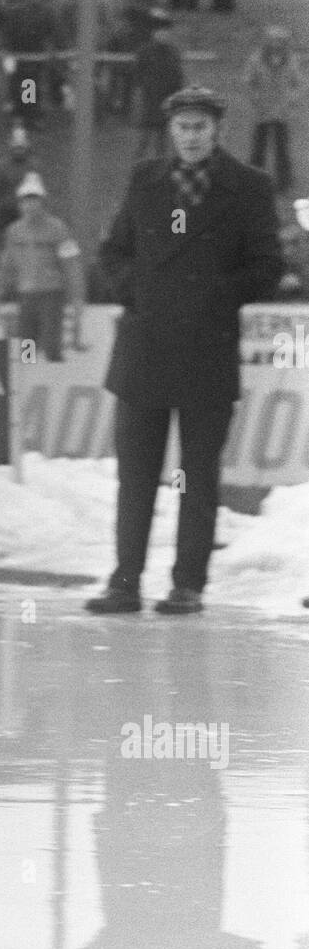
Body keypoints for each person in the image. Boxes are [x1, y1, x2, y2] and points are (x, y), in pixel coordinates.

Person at [87, 86, 284, 616]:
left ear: (216, 129)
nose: (191, 136)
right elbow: (113, 252)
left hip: (207, 347)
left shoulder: (248, 187)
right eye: (183, 127)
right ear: (171, 130)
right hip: (145, 347)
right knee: (136, 474)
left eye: (200, 127)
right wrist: (141, 293)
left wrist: (214, 294)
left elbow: (267, 267)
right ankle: (124, 581)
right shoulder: (145, 179)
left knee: (199, 475)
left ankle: (188, 585)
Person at [0, 173, 85, 358]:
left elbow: (71, 265)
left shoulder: (58, 228)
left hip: (51, 295)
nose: (30, 205)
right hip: (26, 296)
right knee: (27, 347)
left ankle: (54, 380)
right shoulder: (14, 232)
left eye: (34, 200)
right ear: (20, 203)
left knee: (51, 346)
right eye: (26, 200)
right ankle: (30, 382)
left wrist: (77, 297)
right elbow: (6, 266)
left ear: (42, 202)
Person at [244, 26, 303, 194]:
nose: (276, 44)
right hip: (261, 110)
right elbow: (249, 80)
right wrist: (255, 98)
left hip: (281, 111)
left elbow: (297, 83)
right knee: (259, 147)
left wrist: (292, 100)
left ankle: (284, 183)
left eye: (280, 41)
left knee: (282, 148)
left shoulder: (291, 60)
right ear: (267, 42)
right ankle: (254, 180)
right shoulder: (257, 59)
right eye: (272, 40)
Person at [133, 9, 184, 158]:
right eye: (160, 32)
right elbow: (138, 75)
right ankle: (139, 165)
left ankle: (159, 167)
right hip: (150, 99)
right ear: (154, 33)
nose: (164, 35)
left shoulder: (173, 52)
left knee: (162, 140)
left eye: (166, 32)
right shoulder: (145, 52)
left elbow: (177, 76)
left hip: (166, 99)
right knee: (145, 138)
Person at [0, 124, 36, 240]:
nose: (18, 151)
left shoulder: (33, 167)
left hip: (26, 211)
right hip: (6, 212)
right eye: (16, 148)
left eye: (21, 148)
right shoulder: (2, 167)